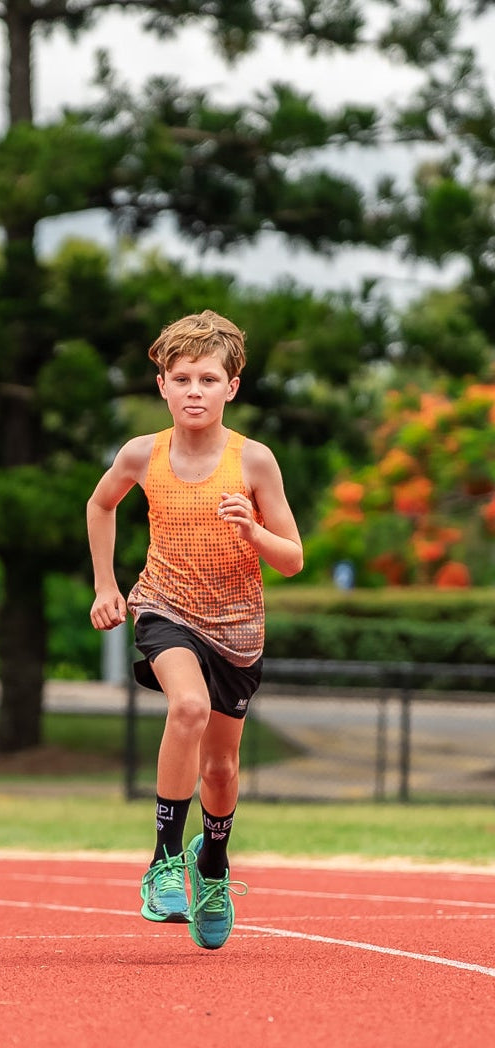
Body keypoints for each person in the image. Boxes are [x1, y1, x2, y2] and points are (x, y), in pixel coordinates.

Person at [86, 310, 302, 950]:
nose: (195, 391)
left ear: (232, 387)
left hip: (237, 631)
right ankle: (162, 861)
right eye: (182, 378)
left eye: (209, 378)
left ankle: (212, 866)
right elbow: (100, 505)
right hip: (165, 608)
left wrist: (253, 531)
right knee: (186, 707)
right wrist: (106, 584)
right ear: (162, 386)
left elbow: (292, 558)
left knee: (223, 769)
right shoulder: (141, 453)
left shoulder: (254, 462)